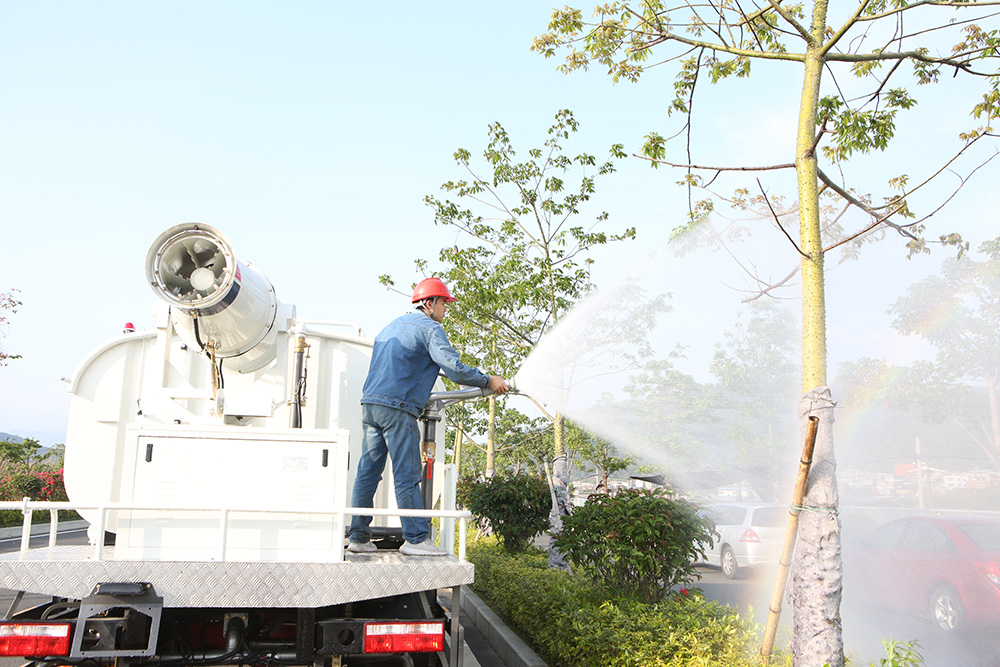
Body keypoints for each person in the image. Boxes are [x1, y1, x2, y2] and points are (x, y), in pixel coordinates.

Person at [348, 277, 509, 556]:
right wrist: (487, 380)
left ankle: (359, 537)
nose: (446, 309)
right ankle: (416, 539)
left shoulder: (389, 328)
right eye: (444, 303)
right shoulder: (431, 329)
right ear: (429, 303)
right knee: (407, 474)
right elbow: (454, 369)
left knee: (368, 472)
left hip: (370, 406)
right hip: (398, 409)